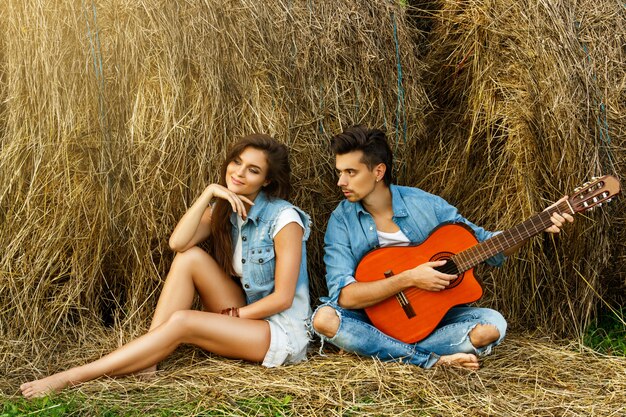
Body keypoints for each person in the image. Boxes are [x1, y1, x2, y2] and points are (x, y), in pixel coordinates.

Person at [21, 134, 311, 398]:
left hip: (280, 331)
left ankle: (71, 377)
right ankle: (149, 362)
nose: (238, 172)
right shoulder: (227, 207)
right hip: (250, 316)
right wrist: (209, 193)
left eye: (253, 170)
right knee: (189, 258)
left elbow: (282, 298)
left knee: (184, 321)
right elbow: (178, 243)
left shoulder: (284, 220)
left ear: (267, 181)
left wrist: (236, 315)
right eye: (237, 162)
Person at [311, 125, 573, 370]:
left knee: (491, 327)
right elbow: (344, 296)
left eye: (350, 172)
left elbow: (488, 246)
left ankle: (370, 347)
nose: (340, 182)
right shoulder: (341, 220)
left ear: (378, 172)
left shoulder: (425, 204)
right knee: (324, 319)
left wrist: (538, 223)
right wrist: (410, 278)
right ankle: (429, 360)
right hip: (371, 319)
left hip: (431, 318)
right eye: (340, 172)